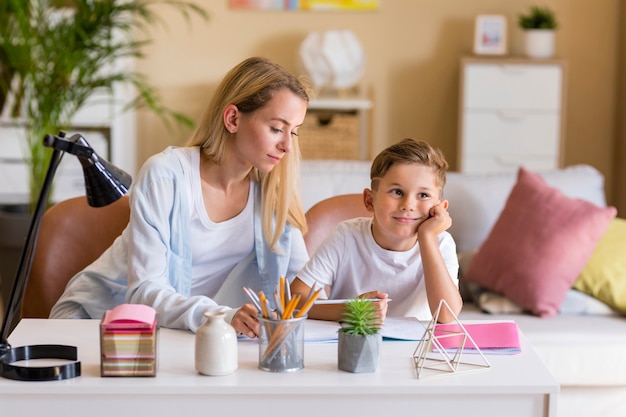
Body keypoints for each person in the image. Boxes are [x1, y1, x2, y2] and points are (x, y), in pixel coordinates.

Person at [50, 57, 311, 338]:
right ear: (233, 119)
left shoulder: (273, 189)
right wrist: (223, 316)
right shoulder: (166, 176)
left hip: (176, 331)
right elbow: (144, 292)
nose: (287, 145)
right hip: (97, 320)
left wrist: (356, 304)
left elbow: (303, 284)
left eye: (293, 132)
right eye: (276, 128)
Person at [291, 138, 461, 324]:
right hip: (353, 343)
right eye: (397, 192)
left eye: (423, 195)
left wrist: (427, 238)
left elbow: (447, 315)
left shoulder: (441, 243)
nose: (408, 205)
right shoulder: (347, 236)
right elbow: (295, 298)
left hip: (414, 350)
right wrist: (354, 310)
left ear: (440, 207)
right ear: (370, 201)